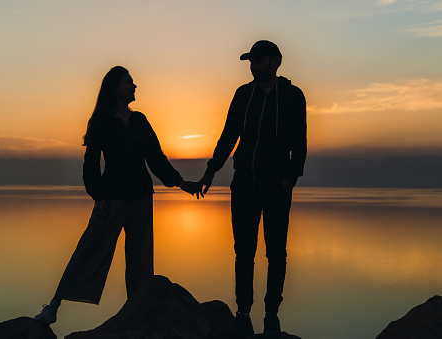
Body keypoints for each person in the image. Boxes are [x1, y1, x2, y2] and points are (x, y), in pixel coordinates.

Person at [34, 66, 196, 325]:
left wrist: (180, 182)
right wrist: (98, 197)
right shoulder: (101, 122)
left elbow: (156, 158)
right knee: (88, 250)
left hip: (142, 196)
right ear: (115, 88)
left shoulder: (140, 120)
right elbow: (90, 165)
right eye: (129, 82)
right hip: (111, 198)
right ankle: (53, 307)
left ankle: (139, 314)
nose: (134, 86)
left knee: (141, 259)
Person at [196, 41, 307, 339]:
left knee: (276, 252)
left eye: (259, 60)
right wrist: (211, 170)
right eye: (251, 61)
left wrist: (290, 178)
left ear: (276, 61)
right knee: (243, 252)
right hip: (244, 183)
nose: (254, 66)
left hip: (277, 186)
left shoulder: (293, 96)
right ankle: (243, 314)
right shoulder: (243, 95)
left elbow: (301, 141)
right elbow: (229, 134)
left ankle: (272, 315)